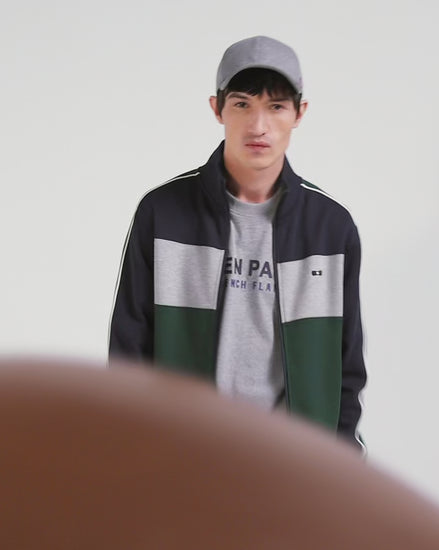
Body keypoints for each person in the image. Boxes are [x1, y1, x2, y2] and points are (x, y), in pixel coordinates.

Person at [109, 35, 367, 452]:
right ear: (217, 108)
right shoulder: (163, 213)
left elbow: (346, 369)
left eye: (276, 106)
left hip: (292, 461)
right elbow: (128, 353)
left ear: (299, 113)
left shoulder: (330, 228)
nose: (258, 126)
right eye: (243, 104)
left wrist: (341, 466)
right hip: (183, 454)